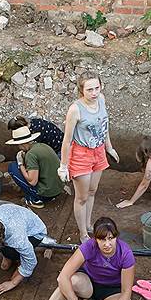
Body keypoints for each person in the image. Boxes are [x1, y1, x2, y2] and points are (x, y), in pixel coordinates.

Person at [17, 217, 135, 300]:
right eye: (102, 239)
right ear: (95, 239)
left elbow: (126, 291)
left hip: (111, 290)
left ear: (116, 237)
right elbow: (62, 277)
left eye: (111, 238)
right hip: (87, 282)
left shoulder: (125, 253)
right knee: (71, 281)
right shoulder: (88, 246)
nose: (107, 244)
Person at [58, 71, 119, 242]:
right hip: (81, 154)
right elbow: (67, 140)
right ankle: (83, 233)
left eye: (96, 88)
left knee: (92, 191)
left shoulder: (102, 99)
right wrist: (63, 166)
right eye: (89, 89)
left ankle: (89, 224)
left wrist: (109, 147)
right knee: (82, 197)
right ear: (81, 91)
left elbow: (104, 125)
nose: (94, 93)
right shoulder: (75, 109)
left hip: (98, 151)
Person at [6, 125, 64, 208]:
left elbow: (32, 182)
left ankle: (35, 199)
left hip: (47, 194)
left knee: (12, 167)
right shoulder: (42, 145)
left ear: (21, 144)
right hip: (58, 188)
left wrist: (20, 164)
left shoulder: (31, 154)